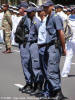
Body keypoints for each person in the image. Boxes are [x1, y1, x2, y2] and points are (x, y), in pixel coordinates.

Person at [38, 0, 66, 99]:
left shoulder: (55, 17)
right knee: (53, 70)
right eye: (44, 7)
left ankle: (58, 92)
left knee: (51, 71)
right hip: (49, 47)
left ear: (51, 7)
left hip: (54, 46)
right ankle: (54, 92)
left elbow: (61, 33)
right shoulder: (48, 18)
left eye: (46, 7)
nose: (44, 9)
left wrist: (63, 48)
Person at [61, 8, 75, 77]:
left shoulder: (67, 19)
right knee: (68, 56)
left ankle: (64, 73)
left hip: (70, 39)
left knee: (68, 56)